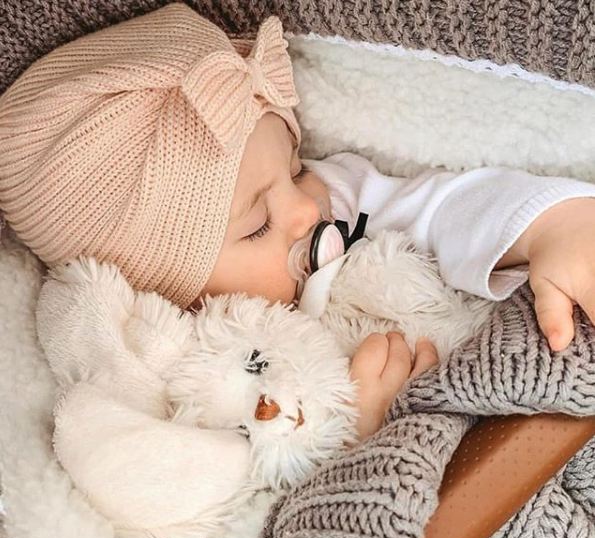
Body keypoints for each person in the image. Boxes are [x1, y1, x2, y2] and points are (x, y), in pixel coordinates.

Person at [0, 3, 593, 441]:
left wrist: (550, 226)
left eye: (295, 168)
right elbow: (227, 504)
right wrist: (358, 433)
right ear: (161, 289)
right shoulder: (184, 368)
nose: (306, 209)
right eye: (258, 225)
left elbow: (441, 208)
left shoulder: (334, 205)